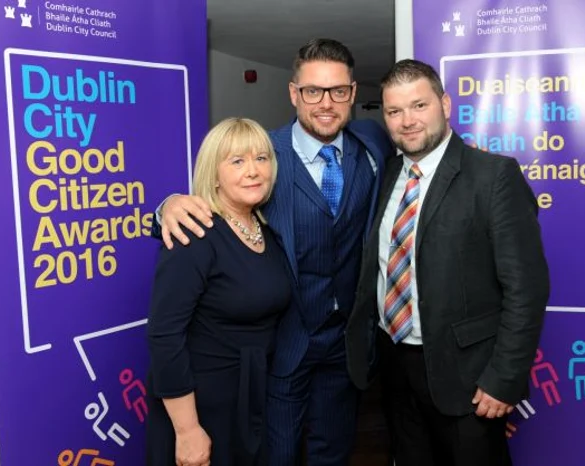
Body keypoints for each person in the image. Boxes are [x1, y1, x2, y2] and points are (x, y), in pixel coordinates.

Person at [152, 39, 393, 466]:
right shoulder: (265, 156)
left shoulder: (372, 143)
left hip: (345, 347)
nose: (326, 103)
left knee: (332, 454)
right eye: (313, 91)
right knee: (274, 457)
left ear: (354, 93)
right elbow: (214, 202)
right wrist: (166, 206)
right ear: (293, 93)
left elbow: (418, 149)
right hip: (282, 346)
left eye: (338, 91)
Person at [345, 59, 550, 466]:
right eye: (394, 111)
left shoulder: (493, 176)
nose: (407, 121)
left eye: (419, 106)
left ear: (445, 104)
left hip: (469, 377)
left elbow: (526, 289)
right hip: (396, 366)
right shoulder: (388, 175)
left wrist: (503, 379)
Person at [145, 117, 292, 466]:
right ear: (214, 174)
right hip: (199, 407)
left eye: (262, 158)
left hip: (248, 399)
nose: (253, 171)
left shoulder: (265, 230)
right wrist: (187, 429)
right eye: (237, 161)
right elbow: (165, 335)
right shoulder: (193, 235)